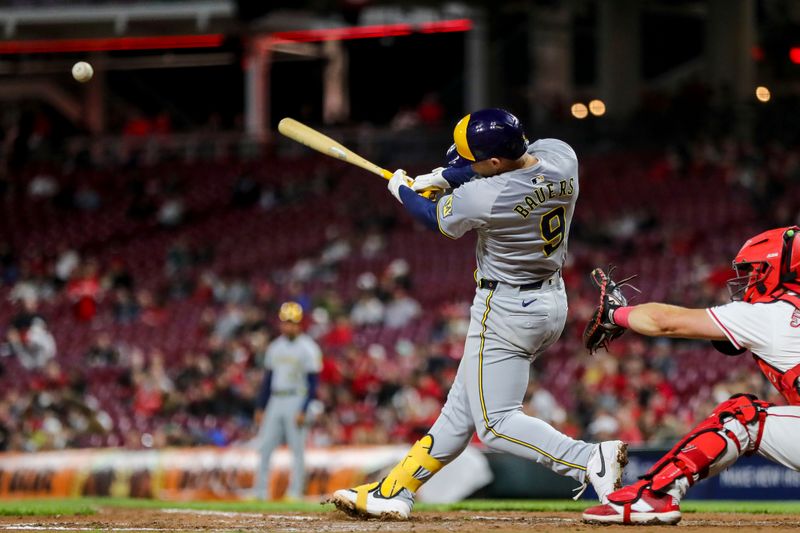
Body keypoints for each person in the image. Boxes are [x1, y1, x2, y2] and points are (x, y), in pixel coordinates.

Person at [330, 108, 627, 519]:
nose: (465, 165)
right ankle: (396, 489)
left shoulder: (485, 196)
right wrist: (445, 176)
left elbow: (435, 217)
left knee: (496, 423)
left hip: (505, 307)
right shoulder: (562, 156)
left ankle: (587, 458)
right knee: (461, 411)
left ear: (492, 163)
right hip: (551, 299)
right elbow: (504, 170)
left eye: (471, 161)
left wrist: (404, 190)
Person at [583, 225, 800, 525]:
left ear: (779, 270)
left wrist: (615, 314)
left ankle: (655, 496)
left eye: (755, 271)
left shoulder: (771, 314)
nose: (748, 280)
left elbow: (664, 322)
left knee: (741, 416)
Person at [253, 302, 322, 500]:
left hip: (296, 398)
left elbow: (313, 383)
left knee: (297, 449)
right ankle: (260, 492)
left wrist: (304, 408)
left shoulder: (308, 348)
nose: (288, 326)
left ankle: (295, 492)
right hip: (276, 398)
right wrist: (260, 406)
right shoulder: (275, 347)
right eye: (285, 322)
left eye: (292, 322)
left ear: (300, 324)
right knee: (265, 446)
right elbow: (267, 380)